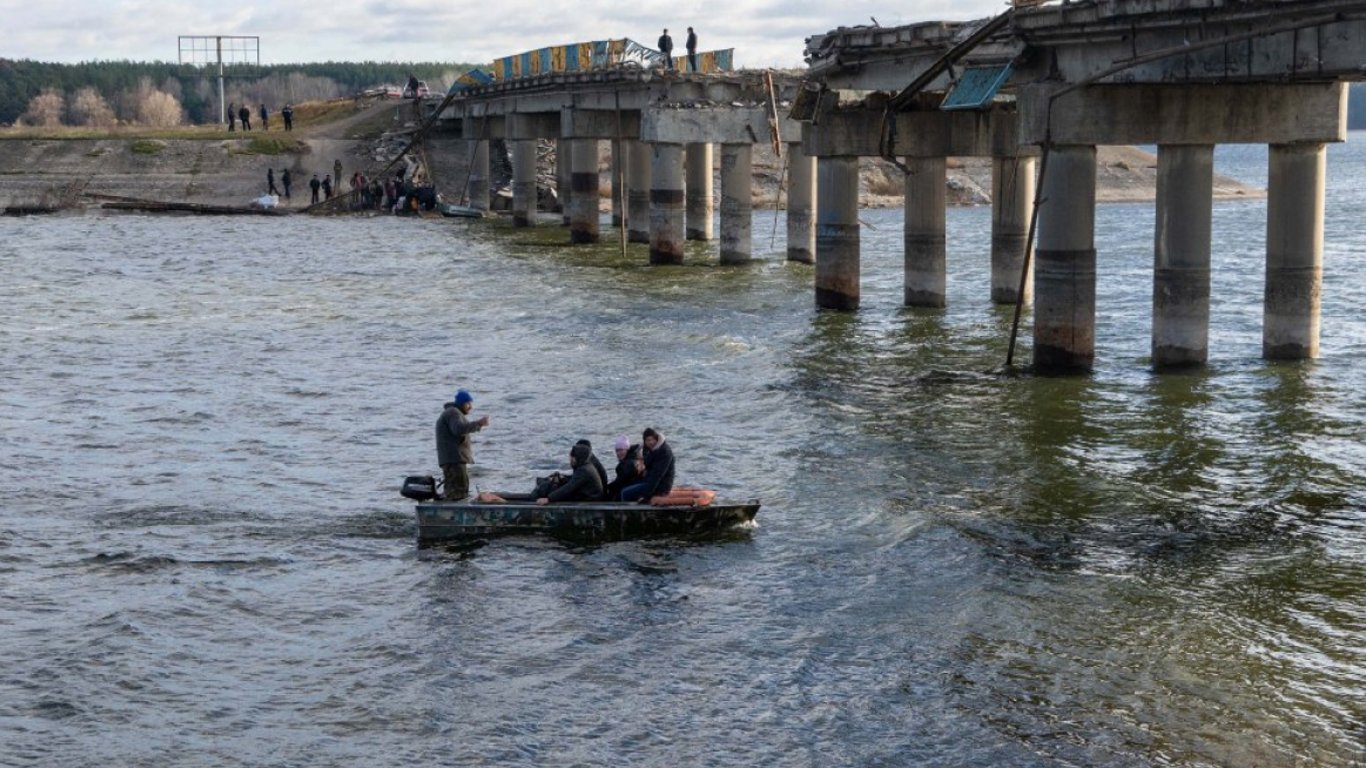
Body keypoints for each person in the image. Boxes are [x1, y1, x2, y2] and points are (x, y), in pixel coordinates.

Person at [435, 389, 490, 501]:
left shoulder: (451, 412)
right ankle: (453, 515)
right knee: (458, 492)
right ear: (461, 403)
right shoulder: (453, 413)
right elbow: (459, 429)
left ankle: (446, 513)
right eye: (468, 403)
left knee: (454, 491)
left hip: (451, 460)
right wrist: (478, 423)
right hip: (454, 460)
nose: (470, 407)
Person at [536, 441, 604, 505]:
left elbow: (569, 488)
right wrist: (562, 479)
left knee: (549, 489)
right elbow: (574, 481)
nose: (570, 459)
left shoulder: (584, 471)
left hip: (588, 501)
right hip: (585, 497)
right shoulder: (586, 466)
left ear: (578, 457)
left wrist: (549, 499)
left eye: (572, 457)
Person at [620, 427, 675, 503]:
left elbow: (658, 476)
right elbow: (647, 461)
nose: (650, 442)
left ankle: (628, 513)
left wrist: (646, 496)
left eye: (652, 439)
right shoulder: (652, 450)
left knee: (625, 493)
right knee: (626, 485)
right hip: (649, 481)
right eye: (647, 440)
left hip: (661, 486)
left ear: (656, 439)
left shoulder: (664, 452)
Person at [604, 434, 643, 501]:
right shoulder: (635, 460)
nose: (619, 453)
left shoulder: (627, 464)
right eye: (617, 450)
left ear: (627, 450)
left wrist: (607, 487)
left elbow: (620, 482)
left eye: (621, 450)